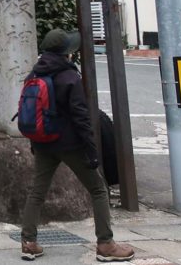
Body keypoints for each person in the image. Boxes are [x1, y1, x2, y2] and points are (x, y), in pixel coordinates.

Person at [19, 29, 135, 262]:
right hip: (70, 144)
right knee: (98, 190)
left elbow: (30, 112)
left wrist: (35, 143)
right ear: (66, 53)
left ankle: (29, 242)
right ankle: (105, 244)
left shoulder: (34, 74)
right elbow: (81, 117)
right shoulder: (69, 77)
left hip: (43, 143)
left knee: (37, 191)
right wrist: (92, 150)